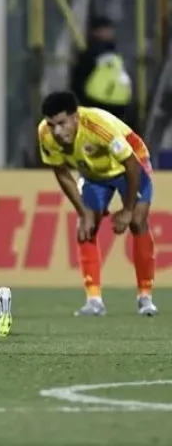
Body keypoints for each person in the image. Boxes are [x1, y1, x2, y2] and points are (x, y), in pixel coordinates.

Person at [38, 90, 158, 317]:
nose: (56, 130)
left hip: (130, 164)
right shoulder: (45, 134)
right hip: (94, 174)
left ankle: (145, 297)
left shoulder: (97, 126)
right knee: (86, 227)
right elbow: (61, 172)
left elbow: (131, 165)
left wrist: (128, 210)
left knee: (138, 221)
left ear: (75, 117)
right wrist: (82, 212)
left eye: (62, 123)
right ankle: (94, 301)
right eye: (51, 124)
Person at [70, 16, 133, 126]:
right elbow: (79, 79)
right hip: (100, 103)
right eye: (105, 29)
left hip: (114, 104)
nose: (109, 33)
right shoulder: (94, 53)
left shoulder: (113, 52)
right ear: (96, 32)